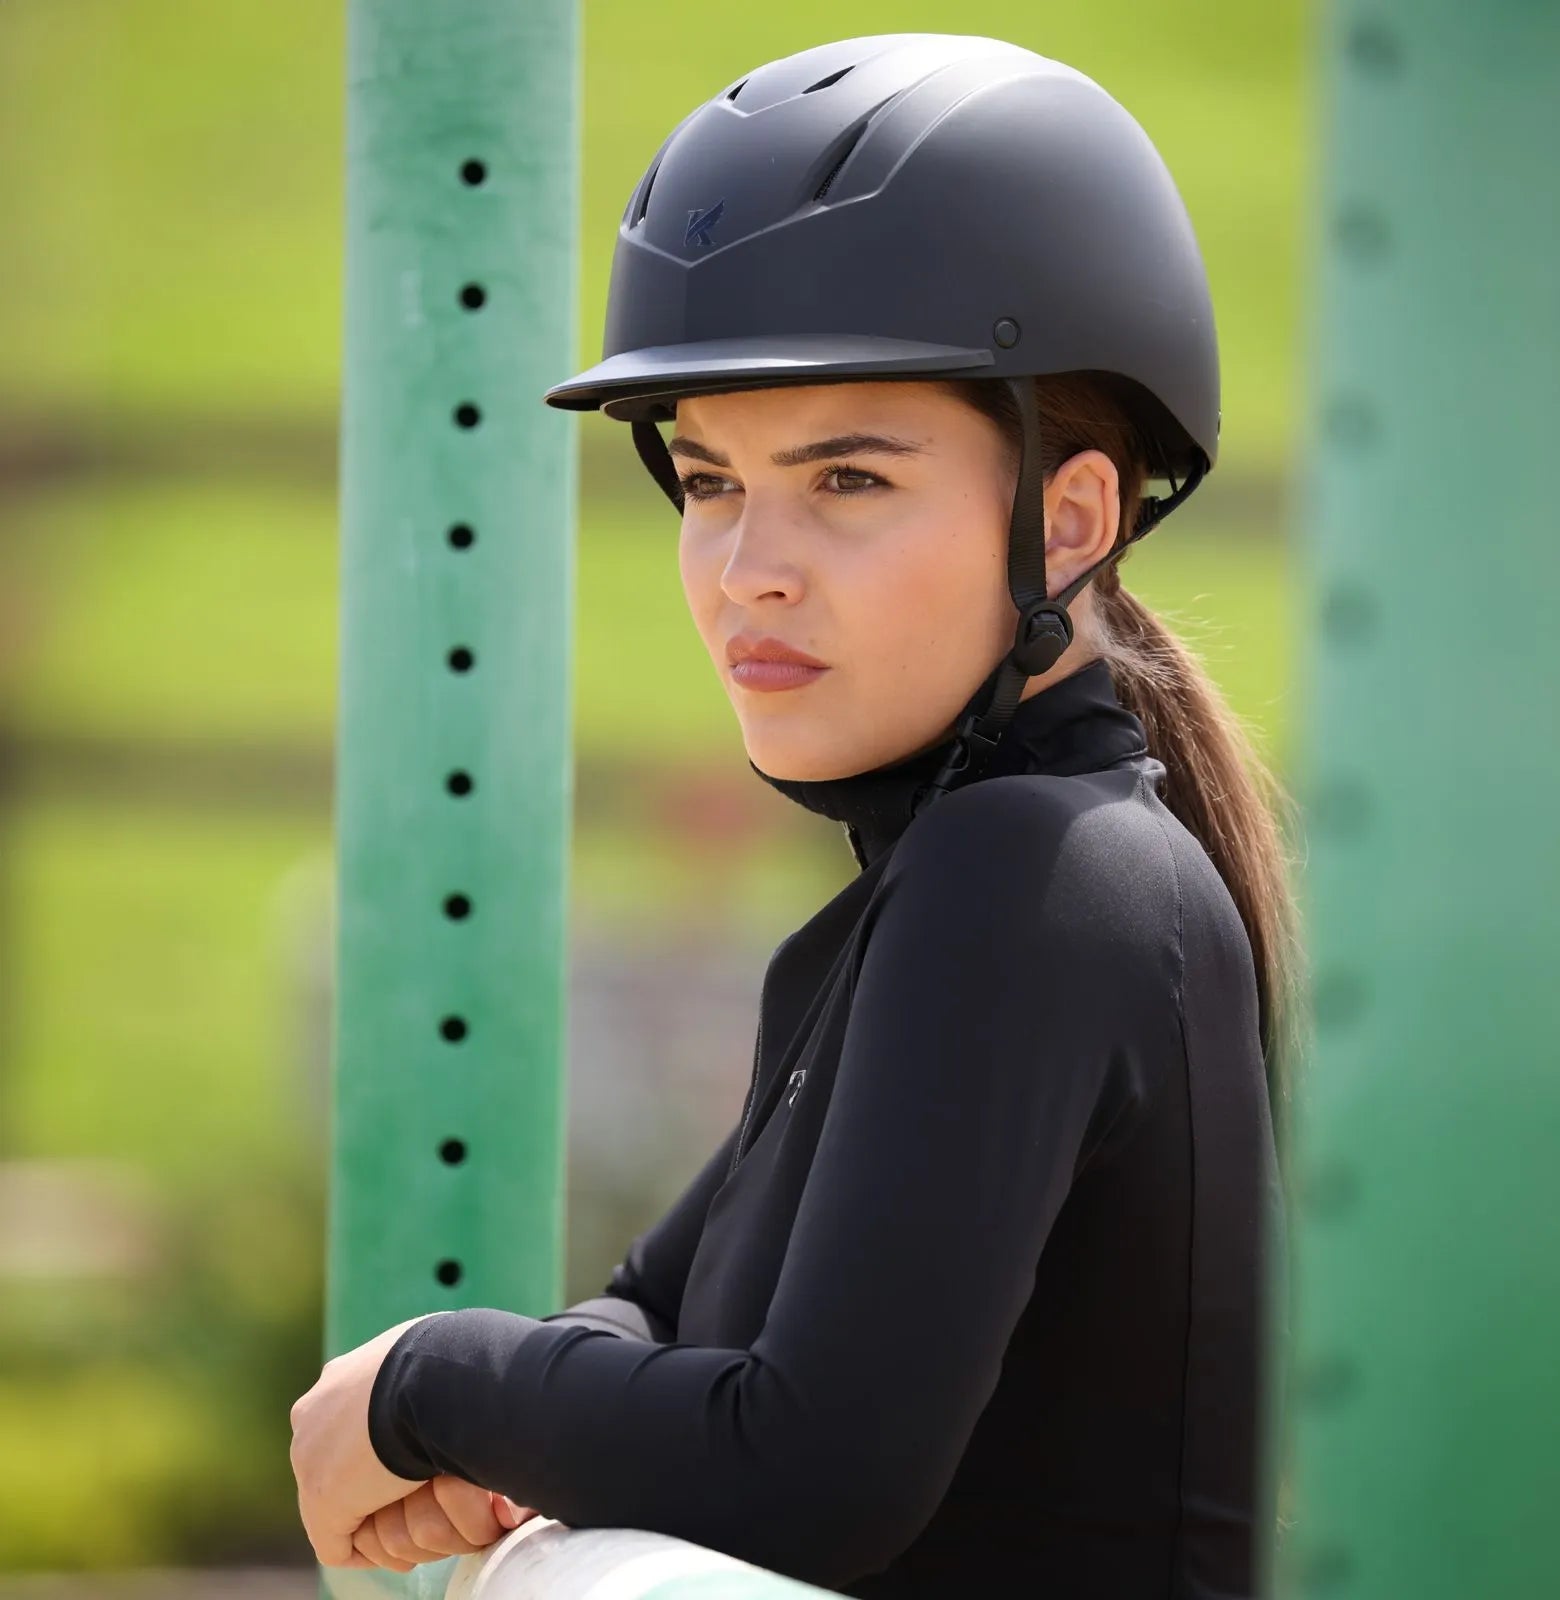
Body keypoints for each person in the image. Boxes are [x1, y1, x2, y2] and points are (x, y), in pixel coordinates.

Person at [290, 31, 1302, 1596]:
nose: (749, 566)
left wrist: (433, 1385)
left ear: (1072, 519)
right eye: (707, 482)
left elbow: (812, 1466)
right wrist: (523, 1426)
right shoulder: (937, 890)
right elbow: (657, 1314)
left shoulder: (1036, 877)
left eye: (846, 481)